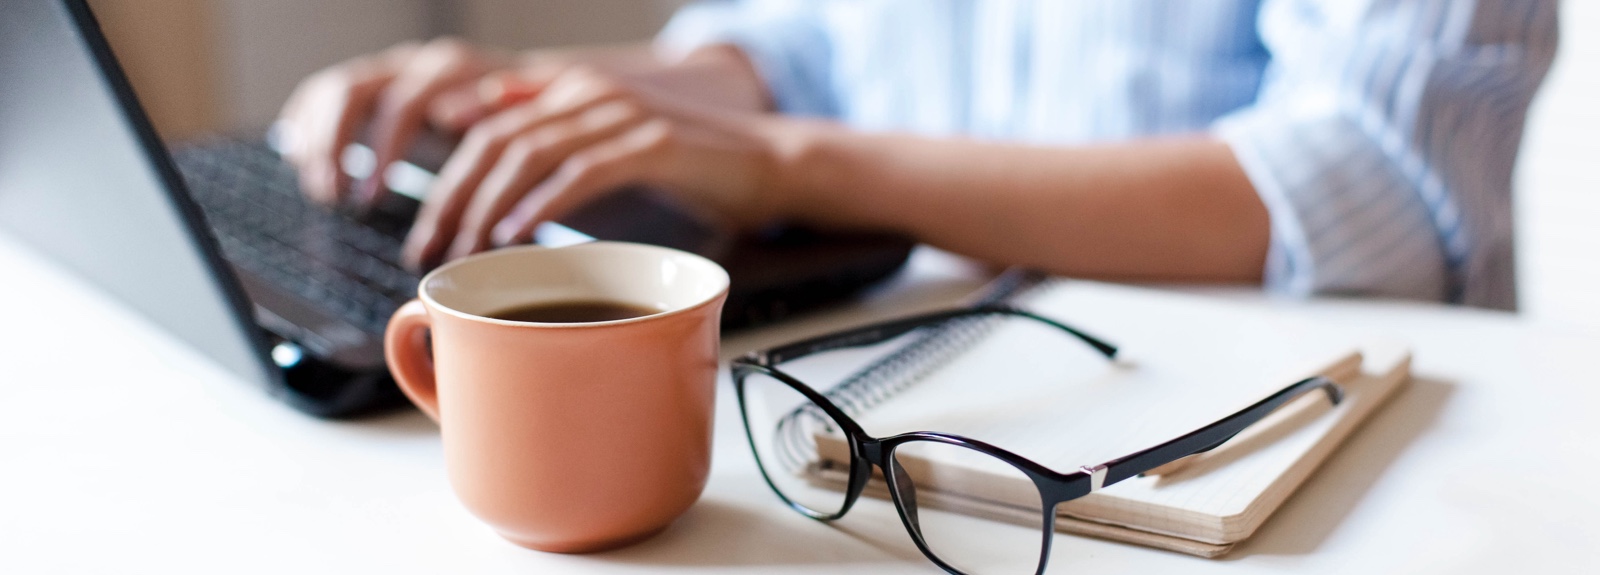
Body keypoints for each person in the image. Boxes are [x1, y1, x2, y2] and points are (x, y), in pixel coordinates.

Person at [274, 0, 1557, 309]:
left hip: (1241, 422)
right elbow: (802, 44)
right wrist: (545, 100)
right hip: (905, 360)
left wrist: (793, 163)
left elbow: (1373, 187)